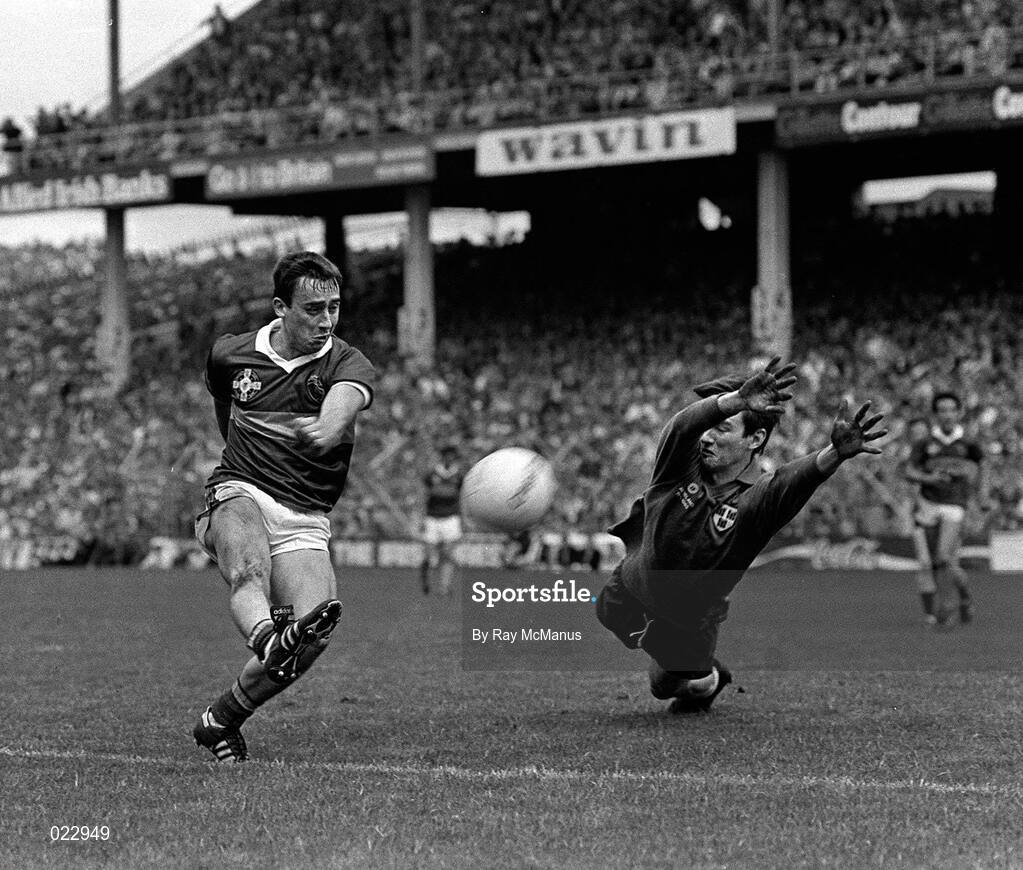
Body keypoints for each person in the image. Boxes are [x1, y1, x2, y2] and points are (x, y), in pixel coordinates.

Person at [596, 358, 887, 713]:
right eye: (710, 426)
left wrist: (835, 454)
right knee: (607, 614)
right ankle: (697, 675)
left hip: (689, 620)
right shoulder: (678, 468)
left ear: (755, 438)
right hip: (629, 593)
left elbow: (794, 480)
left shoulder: (757, 499)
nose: (707, 436)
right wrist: (733, 402)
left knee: (665, 687)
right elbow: (682, 426)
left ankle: (710, 681)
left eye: (722, 429)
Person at [191, 251, 375, 762]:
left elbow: (347, 398)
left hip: (306, 513)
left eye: (334, 308)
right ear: (281, 308)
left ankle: (223, 718)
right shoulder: (229, 355)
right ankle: (269, 637)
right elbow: (224, 413)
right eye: (313, 309)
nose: (327, 321)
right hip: (240, 489)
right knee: (249, 571)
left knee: (315, 631)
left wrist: (328, 426)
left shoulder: (345, 359)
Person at [903, 392, 987, 627]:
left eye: (952, 409)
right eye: (942, 410)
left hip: (954, 505)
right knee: (942, 562)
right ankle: (966, 596)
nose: (947, 414)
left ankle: (946, 608)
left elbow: (983, 465)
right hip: (929, 505)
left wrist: (983, 495)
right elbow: (909, 472)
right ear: (936, 414)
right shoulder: (925, 443)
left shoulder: (968, 442)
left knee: (941, 556)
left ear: (959, 412)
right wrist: (929, 478)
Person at [420, 445, 463, 595]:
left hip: (451, 517)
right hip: (433, 517)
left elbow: (462, 493)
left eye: (452, 455)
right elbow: (424, 491)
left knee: (447, 554)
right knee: (431, 556)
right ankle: (428, 584)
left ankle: (444, 587)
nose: (449, 458)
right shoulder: (433, 473)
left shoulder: (459, 474)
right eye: (447, 455)